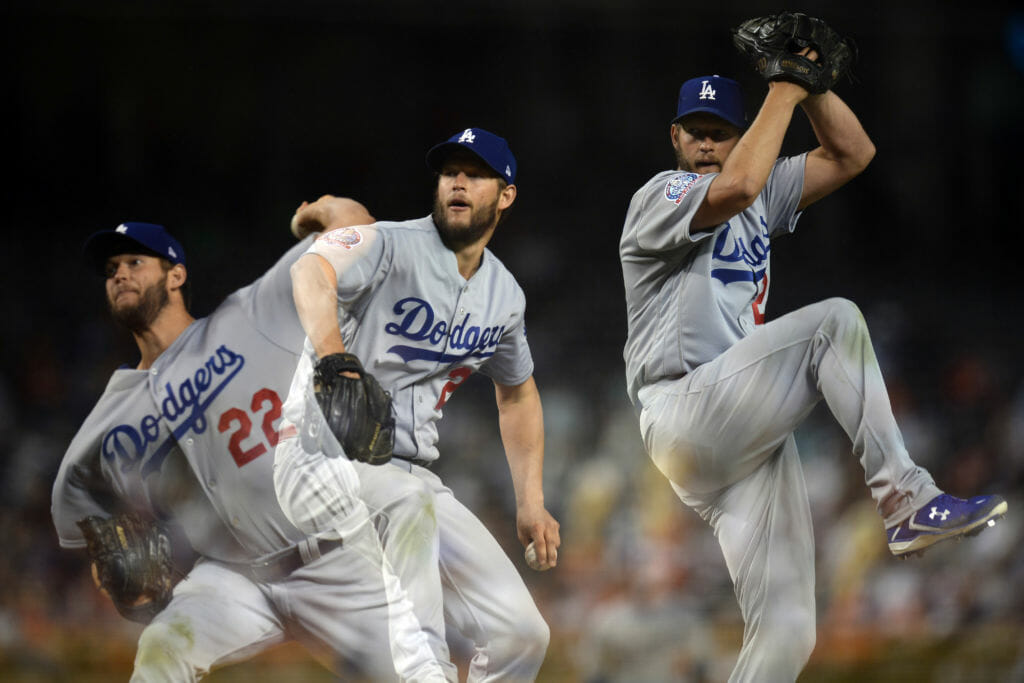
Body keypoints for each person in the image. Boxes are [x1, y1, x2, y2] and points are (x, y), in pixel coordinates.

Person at [618, 70, 1008, 681]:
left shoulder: (761, 192)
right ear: (675, 136)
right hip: (684, 408)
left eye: (720, 134)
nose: (706, 145)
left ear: (741, 136)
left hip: (741, 428)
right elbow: (741, 185)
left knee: (789, 631)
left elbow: (854, 154)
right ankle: (905, 497)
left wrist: (814, 81)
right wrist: (784, 87)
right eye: (696, 132)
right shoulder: (661, 194)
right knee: (835, 323)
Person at [51, 213, 451, 682]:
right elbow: (78, 513)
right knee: (162, 648)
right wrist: (107, 570)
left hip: (337, 560)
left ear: (176, 274)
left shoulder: (248, 315)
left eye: (134, 262)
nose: (119, 274)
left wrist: (327, 211)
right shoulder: (109, 421)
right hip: (235, 578)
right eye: (111, 269)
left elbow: (354, 231)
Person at [273, 127, 560, 682]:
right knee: (408, 504)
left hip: (409, 476)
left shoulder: (504, 296)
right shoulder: (388, 242)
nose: (458, 181)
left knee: (521, 634)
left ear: (505, 195)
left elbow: (517, 391)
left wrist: (531, 500)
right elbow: (311, 269)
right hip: (315, 458)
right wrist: (334, 356)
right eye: (450, 170)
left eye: (475, 174)